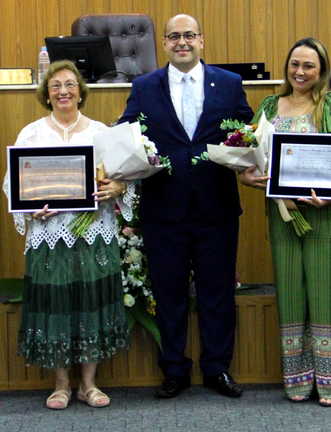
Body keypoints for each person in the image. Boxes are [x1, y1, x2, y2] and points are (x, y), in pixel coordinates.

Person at [118, 14, 253, 399]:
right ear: (163, 44)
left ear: (201, 41)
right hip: (164, 207)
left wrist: (247, 160)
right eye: (174, 36)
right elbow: (128, 131)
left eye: (189, 35)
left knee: (217, 293)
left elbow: (244, 131)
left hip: (218, 206)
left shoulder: (229, 84)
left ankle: (217, 369)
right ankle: (174, 370)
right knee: (169, 294)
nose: (182, 42)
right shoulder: (145, 86)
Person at [239, 38, 331, 407]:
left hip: (330, 215)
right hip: (284, 216)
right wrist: (246, 177)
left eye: (309, 66)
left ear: (321, 71)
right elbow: (250, 157)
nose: (300, 72)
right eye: (295, 64)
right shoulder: (268, 106)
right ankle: (298, 382)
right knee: (291, 294)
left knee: (328, 295)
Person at [3, 60, 132, 410]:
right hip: (49, 234)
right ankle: (61, 384)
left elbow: (124, 180)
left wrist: (117, 187)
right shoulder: (31, 134)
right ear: (47, 93)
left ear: (81, 91)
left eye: (70, 84)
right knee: (55, 305)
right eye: (56, 85)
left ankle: (88, 384)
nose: (63, 91)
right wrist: (30, 208)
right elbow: (12, 184)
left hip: (93, 233)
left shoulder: (100, 133)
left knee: (91, 302)